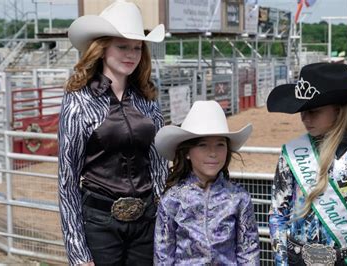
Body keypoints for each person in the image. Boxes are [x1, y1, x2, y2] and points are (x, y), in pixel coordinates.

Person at [57, 1, 167, 265]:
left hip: (146, 222)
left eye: (137, 48)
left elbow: (159, 163)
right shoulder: (78, 101)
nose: (131, 54)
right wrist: (77, 251)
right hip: (99, 223)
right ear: (102, 48)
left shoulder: (148, 98)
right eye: (122, 46)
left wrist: (163, 219)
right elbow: (67, 179)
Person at [266, 62, 347, 266]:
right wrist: (281, 262)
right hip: (297, 259)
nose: (304, 117)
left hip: (346, 260)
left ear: (338, 111)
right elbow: (278, 214)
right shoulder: (291, 155)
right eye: (302, 111)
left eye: (314, 111)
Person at [153, 100, 261, 265]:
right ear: (187, 152)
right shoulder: (172, 200)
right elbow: (163, 256)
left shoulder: (238, 198)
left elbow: (248, 252)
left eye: (220, 145)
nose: (213, 153)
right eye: (203, 145)